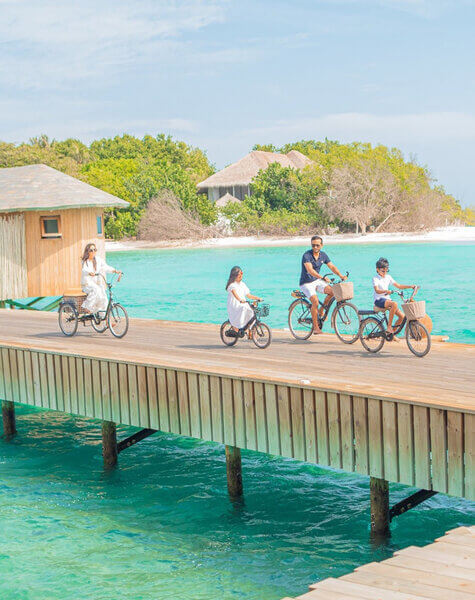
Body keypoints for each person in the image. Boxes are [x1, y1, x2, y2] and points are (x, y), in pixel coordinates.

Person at [299, 235, 347, 334]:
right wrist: (322, 278)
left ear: (321, 245)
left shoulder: (323, 255)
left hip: (316, 281)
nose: (315, 247)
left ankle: (321, 310)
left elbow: (332, 266)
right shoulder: (306, 256)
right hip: (306, 283)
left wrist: (341, 275)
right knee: (315, 301)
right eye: (313, 245)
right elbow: (310, 270)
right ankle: (316, 327)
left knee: (333, 291)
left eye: (317, 245)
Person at [373, 257, 416, 334]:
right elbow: (377, 290)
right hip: (379, 300)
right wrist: (386, 291)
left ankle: (391, 334)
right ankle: (389, 327)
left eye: (386, 271)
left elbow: (398, 286)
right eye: (383, 271)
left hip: (387, 300)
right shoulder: (375, 278)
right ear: (377, 269)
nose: (385, 273)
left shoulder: (388, 277)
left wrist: (410, 286)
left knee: (402, 317)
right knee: (394, 304)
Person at [81, 243, 121, 314]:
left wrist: (114, 270)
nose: (93, 251)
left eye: (94, 250)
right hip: (87, 284)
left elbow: (105, 267)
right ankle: (87, 307)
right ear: (87, 252)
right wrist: (89, 272)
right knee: (96, 289)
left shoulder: (98, 260)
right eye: (91, 250)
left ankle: (106, 321)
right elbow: (84, 269)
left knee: (104, 298)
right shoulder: (85, 262)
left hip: (97, 283)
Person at [226, 266, 262, 336]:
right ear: (235, 275)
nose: (241, 275)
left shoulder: (242, 284)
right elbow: (235, 294)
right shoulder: (232, 285)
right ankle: (238, 327)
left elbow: (248, 295)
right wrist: (240, 300)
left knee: (251, 311)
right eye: (239, 274)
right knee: (244, 308)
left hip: (243, 303)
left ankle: (249, 331)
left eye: (242, 274)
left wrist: (257, 298)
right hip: (235, 305)